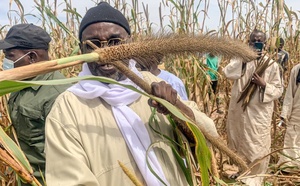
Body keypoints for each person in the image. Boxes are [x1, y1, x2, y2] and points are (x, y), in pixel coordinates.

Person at [44, 2, 219, 185]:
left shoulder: (154, 86)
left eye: (115, 42)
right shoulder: (68, 109)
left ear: (130, 43)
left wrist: (176, 109)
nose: (106, 52)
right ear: (82, 50)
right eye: (93, 44)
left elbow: (207, 140)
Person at [0, 24, 71, 185]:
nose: (5, 62)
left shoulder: (58, 94)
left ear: (31, 57)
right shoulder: (21, 82)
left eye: (9, 56)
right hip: (25, 177)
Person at [223, 29, 283, 185]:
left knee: (257, 143)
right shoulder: (240, 59)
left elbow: (278, 89)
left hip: (259, 113)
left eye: (260, 41)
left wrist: (264, 84)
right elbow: (227, 72)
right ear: (248, 42)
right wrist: (244, 60)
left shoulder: (272, 65)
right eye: (253, 41)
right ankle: (243, 172)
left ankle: (255, 177)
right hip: (239, 111)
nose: (256, 43)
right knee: (239, 141)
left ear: (264, 43)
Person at [277, 63, 300, 172]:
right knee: (292, 139)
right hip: (297, 112)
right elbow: (290, 93)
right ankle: (289, 168)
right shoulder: (297, 69)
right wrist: (284, 115)